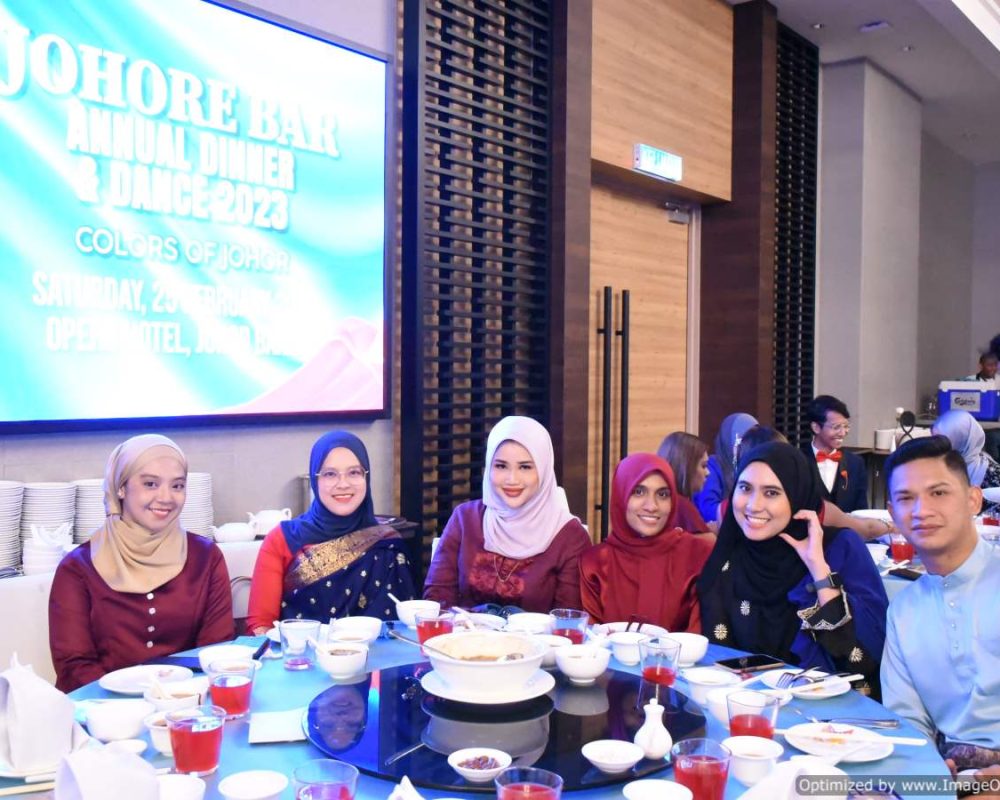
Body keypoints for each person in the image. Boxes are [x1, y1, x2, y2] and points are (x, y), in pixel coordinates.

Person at [697, 442, 887, 695]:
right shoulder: (730, 552)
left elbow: (866, 656)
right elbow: (717, 653)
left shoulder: (840, 547)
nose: (753, 505)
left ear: (797, 496)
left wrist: (818, 568)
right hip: (744, 704)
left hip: (829, 711)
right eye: (745, 488)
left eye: (771, 492)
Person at [49, 435, 233, 692]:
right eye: (150, 484)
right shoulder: (78, 567)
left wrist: (179, 700)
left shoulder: (206, 557)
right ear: (120, 487)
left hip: (186, 703)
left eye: (177, 486)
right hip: (100, 707)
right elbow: (74, 665)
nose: (166, 497)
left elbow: (215, 650)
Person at [881, 436, 1000, 780]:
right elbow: (907, 720)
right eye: (906, 498)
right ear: (892, 513)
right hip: (951, 776)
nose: (922, 510)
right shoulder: (903, 610)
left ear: (973, 499)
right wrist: (926, 775)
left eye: (938, 493)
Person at [246, 431, 415, 634]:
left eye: (354, 472)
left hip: (379, 653)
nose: (343, 484)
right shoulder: (283, 539)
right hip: (300, 653)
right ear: (315, 480)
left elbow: (404, 630)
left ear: (366, 477)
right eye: (330, 474)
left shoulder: (387, 543)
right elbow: (261, 626)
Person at [423, 416, 590, 612]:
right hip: (463, 631)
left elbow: (568, 617)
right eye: (501, 466)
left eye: (525, 467)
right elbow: (437, 599)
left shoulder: (570, 536)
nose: (512, 479)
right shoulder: (465, 519)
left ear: (544, 470)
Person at [580, 453, 712, 631]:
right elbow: (590, 637)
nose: (652, 506)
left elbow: (697, 637)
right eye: (639, 492)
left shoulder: (697, 556)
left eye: (663, 494)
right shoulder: (595, 563)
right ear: (621, 495)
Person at [802, 395, 868, 513]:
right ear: (816, 427)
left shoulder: (855, 463)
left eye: (846, 426)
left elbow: (861, 510)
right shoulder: (798, 461)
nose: (842, 433)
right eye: (836, 427)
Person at [693, 412, 758, 530]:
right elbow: (708, 510)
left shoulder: (754, 467)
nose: (748, 446)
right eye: (743, 441)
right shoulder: (711, 467)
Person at [932, 410, 1000, 515]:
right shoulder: (932, 468)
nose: (935, 445)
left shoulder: (994, 476)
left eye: (940, 440)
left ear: (961, 440)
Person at [656, 432, 712, 533]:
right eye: (703, 466)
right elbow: (707, 541)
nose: (708, 473)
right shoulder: (683, 507)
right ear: (687, 468)